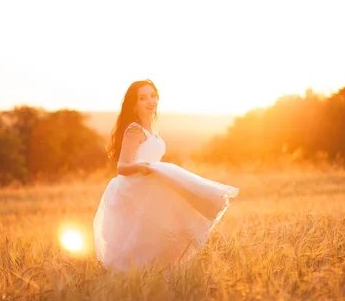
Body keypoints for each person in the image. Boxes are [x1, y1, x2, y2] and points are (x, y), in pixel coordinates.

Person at [93, 79, 239, 273]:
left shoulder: (152, 130)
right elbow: (122, 167)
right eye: (142, 98)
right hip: (136, 187)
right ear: (134, 105)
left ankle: (156, 275)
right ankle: (131, 279)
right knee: (140, 238)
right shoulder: (134, 130)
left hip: (151, 183)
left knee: (162, 231)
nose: (150, 101)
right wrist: (140, 166)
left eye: (152, 96)